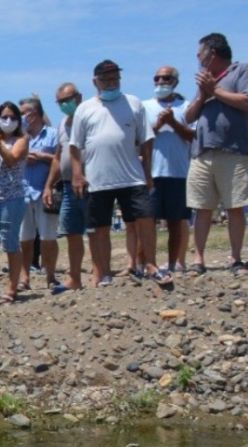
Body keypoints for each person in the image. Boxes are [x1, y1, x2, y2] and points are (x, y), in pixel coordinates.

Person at [69, 60, 168, 287]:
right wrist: (77, 174)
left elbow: (147, 140)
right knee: (100, 228)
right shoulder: (84, 109)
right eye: (106, 79)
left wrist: (148, 172)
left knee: (145, 218)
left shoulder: (133, 103)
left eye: (115, 78)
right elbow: (75, 146)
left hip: (132, 176)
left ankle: (151, 264)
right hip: (98, 179)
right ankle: (104, 273)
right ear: (96, 82)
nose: (112, 83)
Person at [184, 32, 248, 276]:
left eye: (200, 54)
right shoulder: (206, 81)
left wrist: (214, 90)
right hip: (202, 152)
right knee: (201, 207)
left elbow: (247, 102)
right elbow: (189, 116)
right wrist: (204, 94)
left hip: (233, 151)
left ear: (212, 53)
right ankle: (198, 259)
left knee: (235, 206)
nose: (198, 59)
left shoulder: (242, 71)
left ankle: (236, 259)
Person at [142, 65, 196, 274]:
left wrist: (173, 123)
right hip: (152, 173)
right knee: (148, 222)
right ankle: (149, 264)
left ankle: (174, 263)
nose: (160, 82)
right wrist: (158, 124)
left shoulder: (187, 106)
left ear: (175, 81)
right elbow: (141, 138)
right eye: (156, 78)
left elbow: (193, 136)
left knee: (176, 221)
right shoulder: (145, 106)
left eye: (165, 78)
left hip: (178, 172)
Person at [0, 101, 31, 303]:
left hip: (12, 198)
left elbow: (11, 159)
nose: (8, 121)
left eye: (12, 117)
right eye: (4, 117)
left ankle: (12, 288)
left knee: (10, 242)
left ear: (18, 120)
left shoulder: (22, 139)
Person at [43, 83, 91, 290]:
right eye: (61, 102)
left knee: (97, 231)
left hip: (91, 183)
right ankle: (75, 279)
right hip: (67, 185)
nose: (65, 104)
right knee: (72, 233)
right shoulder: (62, 123)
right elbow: (57, 158)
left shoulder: (90, 117)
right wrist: (48, 185)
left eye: (67, 100)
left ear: (79, 97)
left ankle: (100, 274)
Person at [17, 95, 63, 292]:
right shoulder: (19, 137)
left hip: (46, 192)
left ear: (34, 113)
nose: (21, 117)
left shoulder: (53, 134)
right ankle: (24, 277)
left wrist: (43, 157)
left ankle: (50, 276)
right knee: (24, 240)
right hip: (22, 193)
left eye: (23, 113)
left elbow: (61, 160)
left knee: (48, 238)